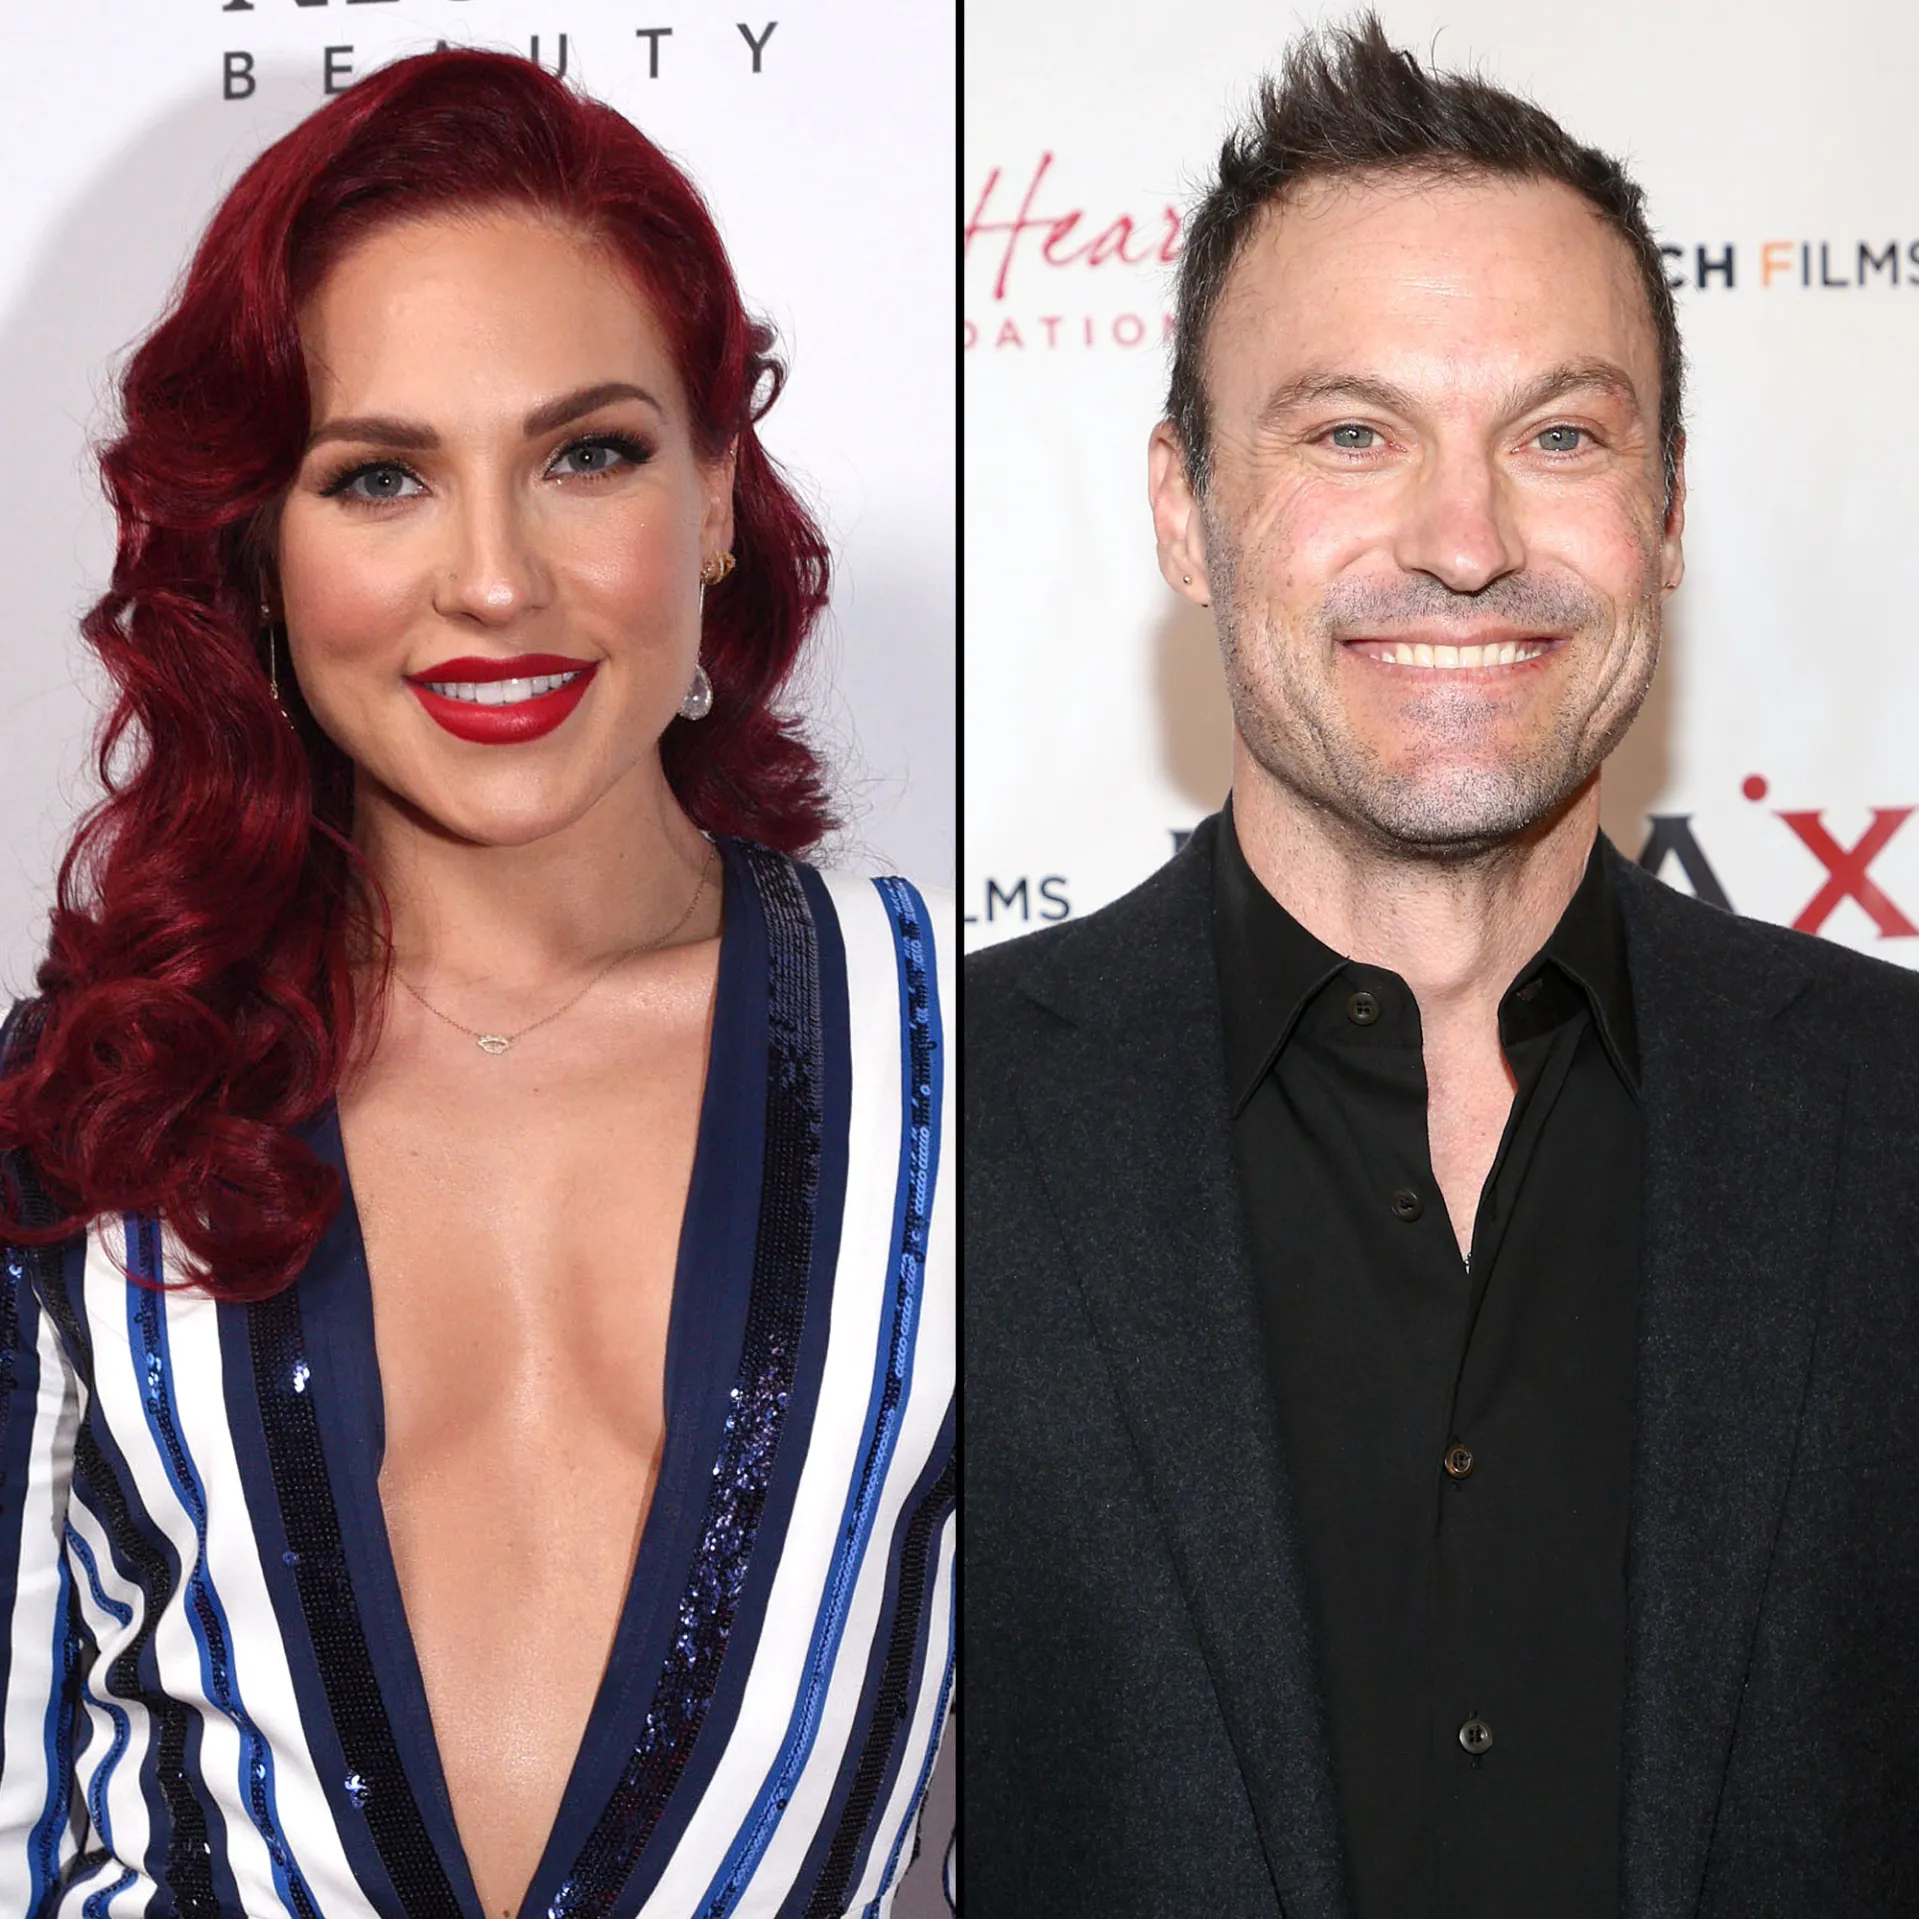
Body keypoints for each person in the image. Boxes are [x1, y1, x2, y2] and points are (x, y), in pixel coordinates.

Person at [967, 16, 1919, 1917]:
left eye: (1558, 436)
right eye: (1351, 433)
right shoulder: (928, 1130)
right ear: (1182, 510)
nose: (1465, 543)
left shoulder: (1887, 1112)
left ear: (1664, 512)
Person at [0, 50, 952, 1919]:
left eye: (586, 454)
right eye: (380, 477)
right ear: (259, 555)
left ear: (716, 496)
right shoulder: (91, 1112)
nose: (495, 581)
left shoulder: (964, 1073)